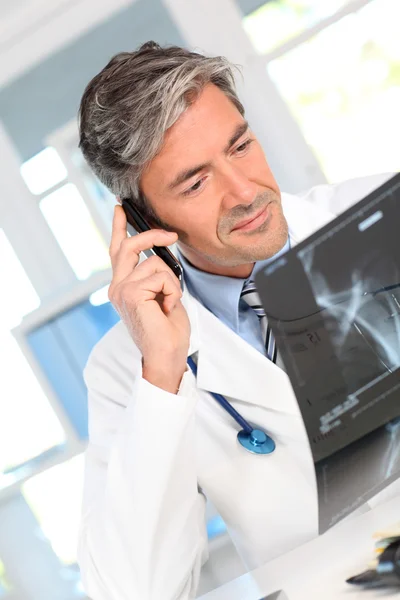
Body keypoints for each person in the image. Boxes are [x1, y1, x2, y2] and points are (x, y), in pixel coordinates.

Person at [77, 41, 395, 600]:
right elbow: (133, 590)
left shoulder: (383, 217)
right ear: (142, 220)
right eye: (196, 183)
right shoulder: (126, 366)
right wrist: (164, 376)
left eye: (241, 146)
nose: (245, 192)